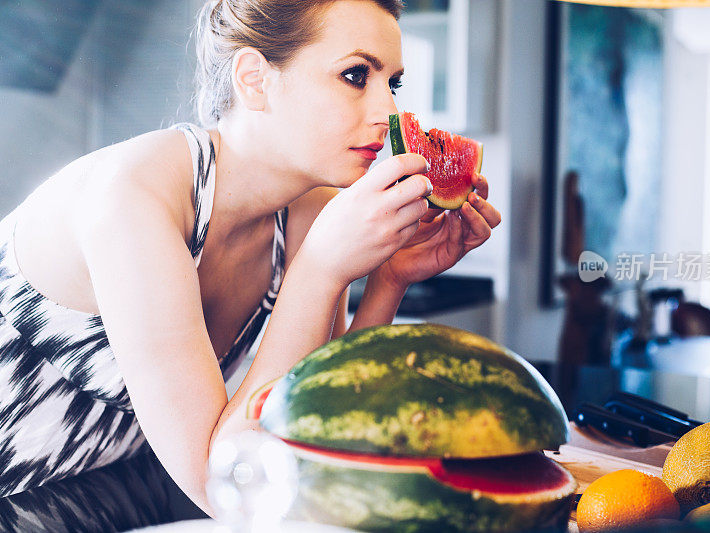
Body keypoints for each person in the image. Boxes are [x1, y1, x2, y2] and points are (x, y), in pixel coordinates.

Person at [0, 0, 501, 515]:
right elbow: (220, 482)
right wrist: (320, 269)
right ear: (254, 79)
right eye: (355, 75)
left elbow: (315, 427)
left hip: (86, 497)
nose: (389, 113)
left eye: (391, 83)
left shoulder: (309, 211)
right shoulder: (133, 199)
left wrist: (389, 280)